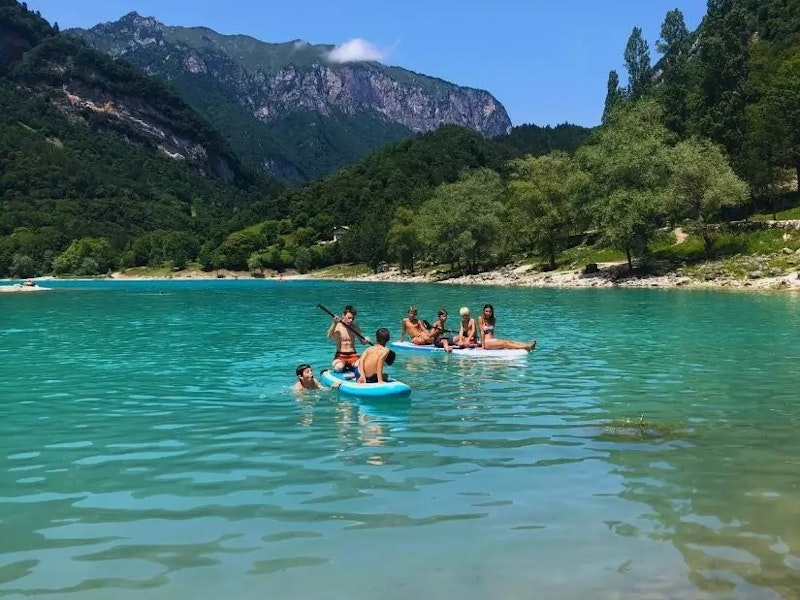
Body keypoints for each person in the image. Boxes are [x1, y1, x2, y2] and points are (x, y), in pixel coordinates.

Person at [327, 305, 369, 372]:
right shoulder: (337, 326)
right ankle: (343, 366)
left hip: (353, 355)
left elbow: (362, 342)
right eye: (349, 318)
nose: (350, 320)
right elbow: (329, 336)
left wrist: (366, 339)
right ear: (343, 315)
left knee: (363, 367)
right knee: (338, 368)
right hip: (340, 355)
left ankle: (351, 367)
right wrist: (334, 323)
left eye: (352, 318)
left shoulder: (355, 327)